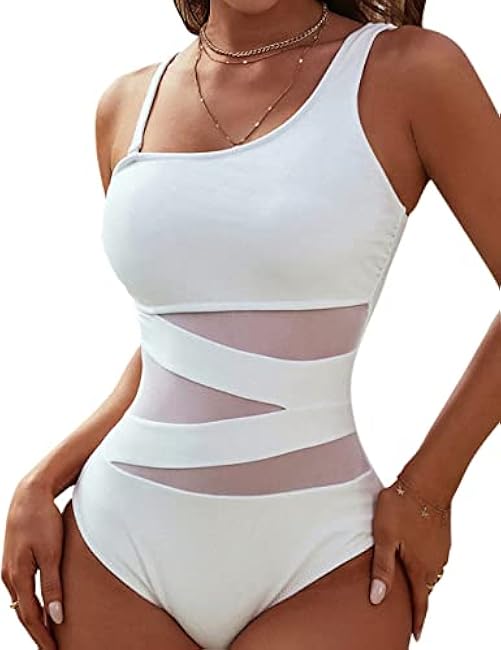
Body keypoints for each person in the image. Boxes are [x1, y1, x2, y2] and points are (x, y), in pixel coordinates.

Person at [2, 1, 500, 649]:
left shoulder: (407, 71)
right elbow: (179, 347)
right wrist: (41, 481)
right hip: (114, 549)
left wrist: (428, 490)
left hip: (323, 556)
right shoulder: (126, 105)